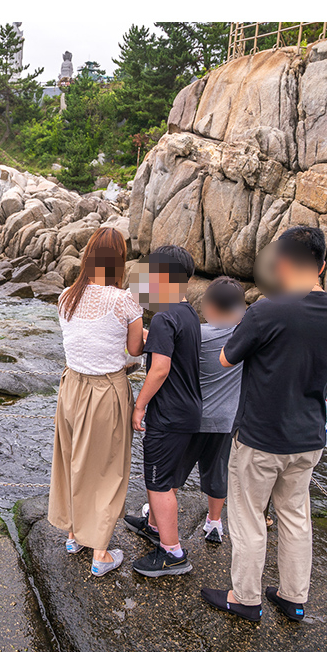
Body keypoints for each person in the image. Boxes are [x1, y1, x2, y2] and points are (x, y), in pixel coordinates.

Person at [201, 226, 327, 623]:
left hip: (259, 436)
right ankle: (293, 597)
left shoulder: (266, 311)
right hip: (309, 436)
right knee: (295, 516)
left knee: (249, 517)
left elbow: (226, 359)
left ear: (281, 264)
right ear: (322, 265)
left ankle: (246, 597)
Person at [48, 226, 145, 577]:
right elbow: (134, 349)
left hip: (71, 386)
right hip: (106, 391)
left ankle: (74, 534)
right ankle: (100, 552)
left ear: (88, 256)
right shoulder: (124, 300)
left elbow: (85, 338)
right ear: (118, 260)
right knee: (106, 470)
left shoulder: (65, 296)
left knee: (73, 461)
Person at [125, 276, 246, 546]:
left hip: (192, 417)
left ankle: (157, 525)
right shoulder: (244, 337)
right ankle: (214, 522)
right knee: (217, 473)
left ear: (209, 305)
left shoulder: (199, 335)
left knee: (171, 476)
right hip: (226, 421)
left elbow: (161, 349)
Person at [128, 245, 202, 577]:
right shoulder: (186, 313)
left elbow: (159, 369)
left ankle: (172, 553)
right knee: (163, 476)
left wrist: (139, 405)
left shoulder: (163, 316)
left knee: (159, 482)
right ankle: (155, 527)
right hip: (189, 410)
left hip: (169, 413)